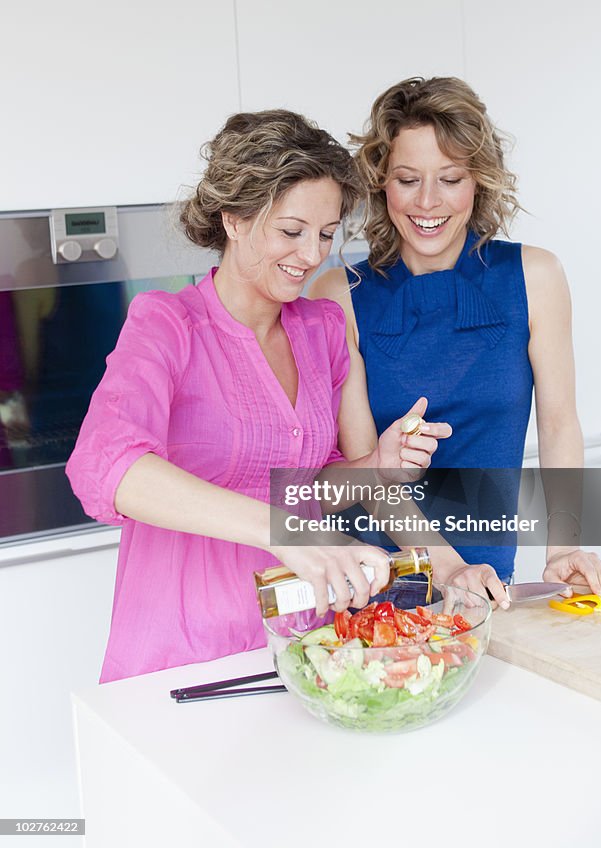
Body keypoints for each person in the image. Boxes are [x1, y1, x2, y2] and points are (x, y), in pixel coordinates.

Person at [66, 109, 453, 682]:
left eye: (326, 234)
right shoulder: (167, 324)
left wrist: (376, 466)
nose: (311, 254)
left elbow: (304, 485)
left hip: (303, 646)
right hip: (184, 652)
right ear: (235, 220)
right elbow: (108, 469)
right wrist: (285, 531)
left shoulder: (320, 330)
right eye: (291, 231)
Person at [310, 76, 601, 608]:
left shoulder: (534, 276)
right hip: (373, 584)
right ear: (383, 183)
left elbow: (560, 423)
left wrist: (564, 547)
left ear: (478, 181)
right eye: (407, 179)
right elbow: (366, 471)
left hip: (487, 584)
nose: (428, 202)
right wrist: (448, 568)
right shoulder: (340, 294)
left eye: (450, 178)